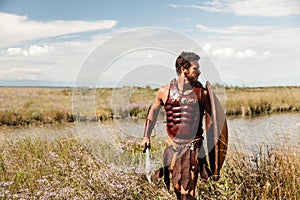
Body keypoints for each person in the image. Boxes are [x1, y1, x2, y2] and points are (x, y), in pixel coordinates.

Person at [140, 51, 215, 200]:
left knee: (188, 189)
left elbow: (213, 120)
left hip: (192, 148)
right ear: (183, 69)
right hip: (172, 147)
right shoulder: (164, 92)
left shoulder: (202, 94)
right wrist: (146, 136)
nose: (199, 72)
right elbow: (152, 113)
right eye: (196, 69)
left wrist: (214, 149)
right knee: (177, 188)